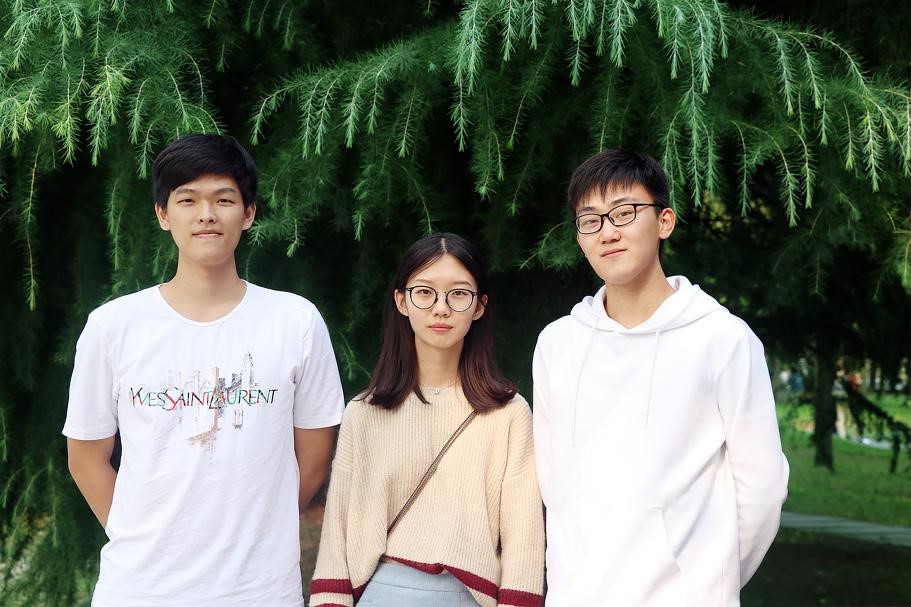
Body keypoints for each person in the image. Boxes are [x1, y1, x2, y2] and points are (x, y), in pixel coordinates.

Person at [63, 134, 345, 607]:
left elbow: (315, 458)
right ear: (162, 214)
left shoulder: (295, 321)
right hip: (139, 590)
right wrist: (142, 537)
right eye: (187, 199)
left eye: (224, 200)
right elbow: (86, 457)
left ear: (248, 213)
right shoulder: (113, 326)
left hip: (259, 591)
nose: (206, 214)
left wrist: (259, 530)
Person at [532, 149, 789, 606]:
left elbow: (763, 489)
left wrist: (710, 582)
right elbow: (554, 484)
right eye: (590, 220)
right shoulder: (558, 343)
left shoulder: (722, 339)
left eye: (624, 212)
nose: (608, 231)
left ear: (664, 221)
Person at [310, 233, 544, 607]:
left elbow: (524, 536)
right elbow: (336, 535)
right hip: (381, 593)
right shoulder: (364, 412)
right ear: (402, 301)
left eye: (458, 294)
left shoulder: (508, 413)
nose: (441, 309)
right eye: (424, 292)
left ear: (479, 306)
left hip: (467, 595)